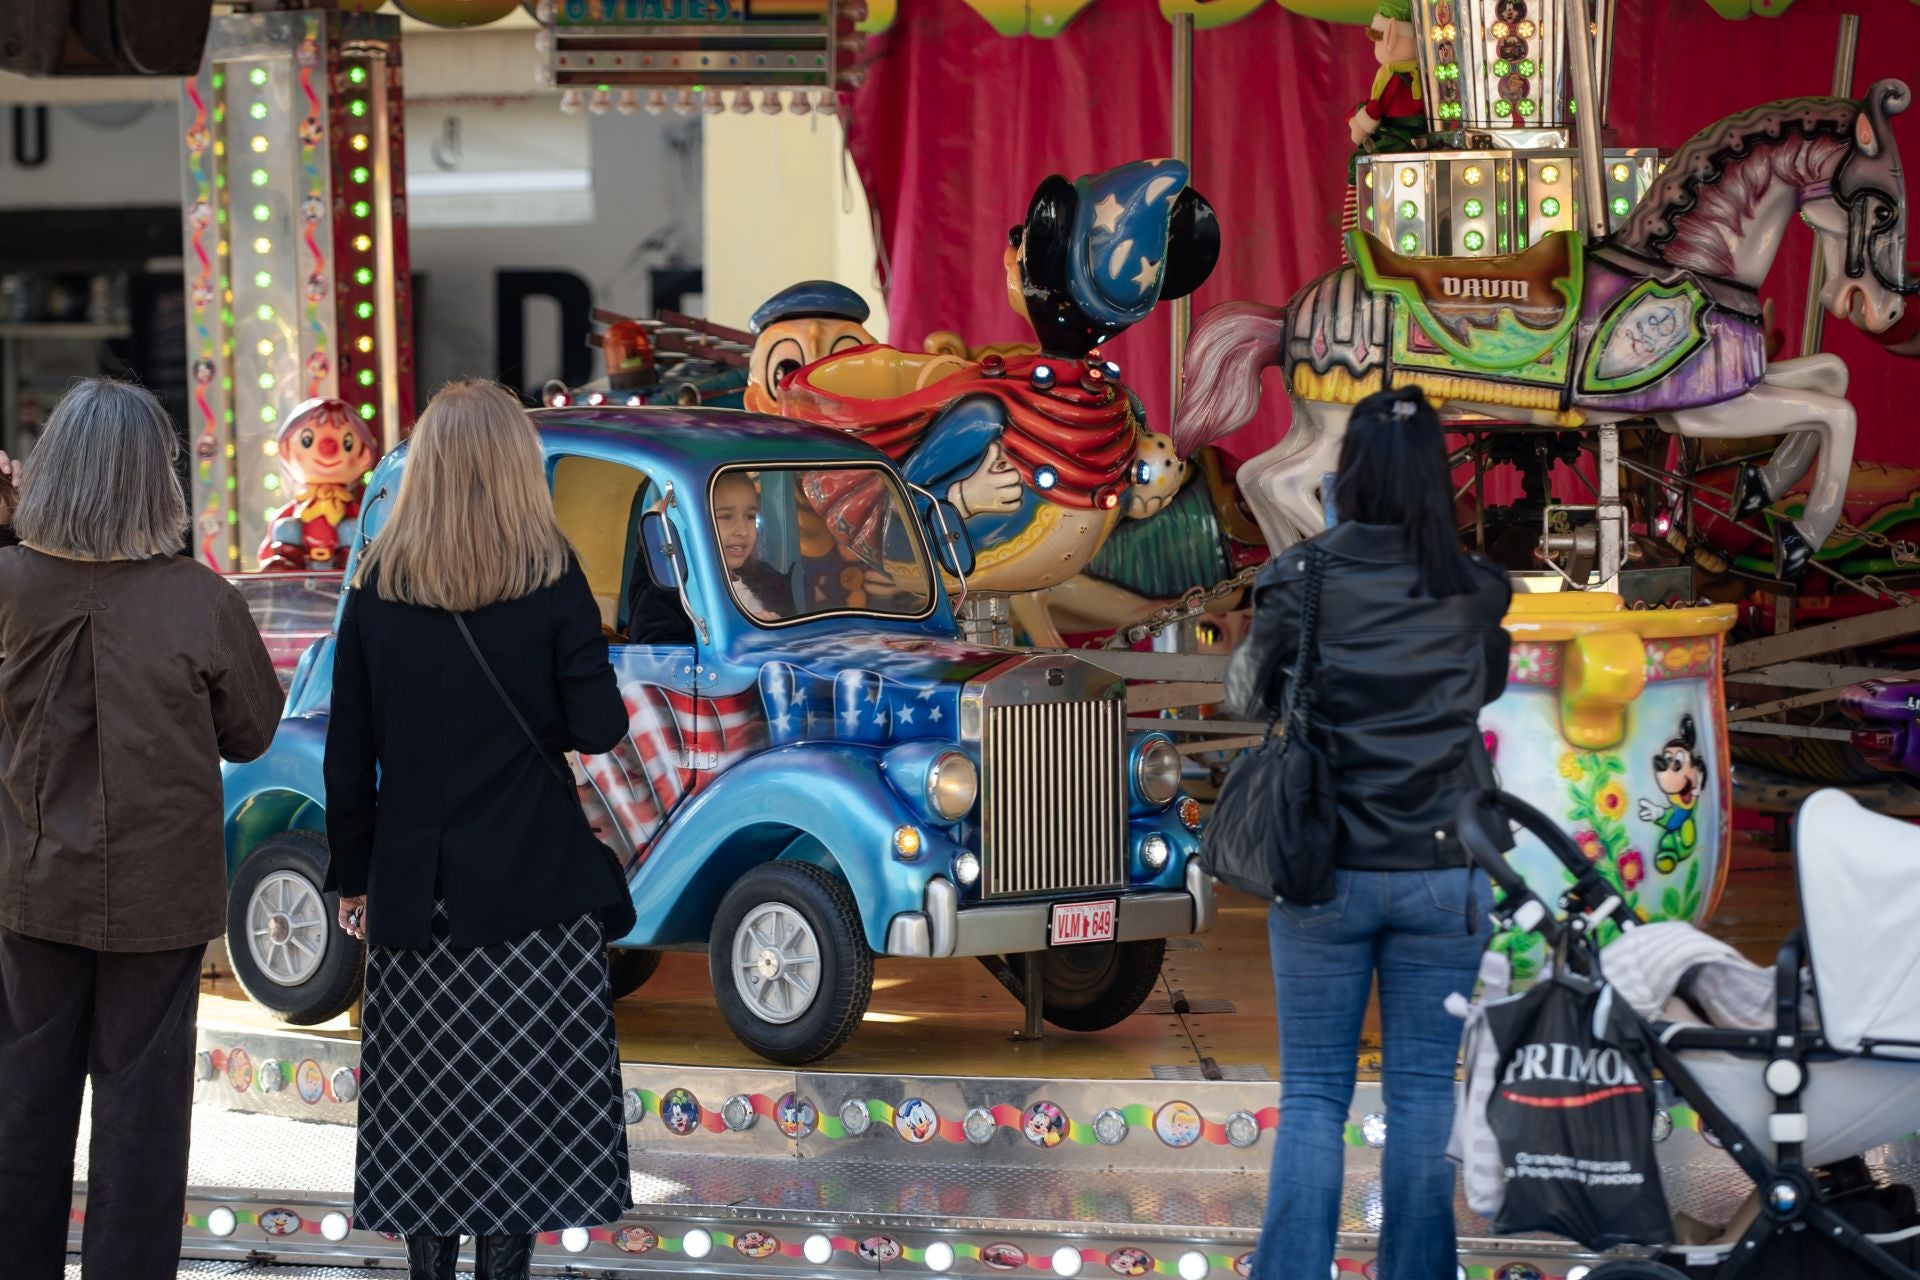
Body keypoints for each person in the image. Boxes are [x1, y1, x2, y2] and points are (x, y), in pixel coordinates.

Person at [323, 380, 634, 1280]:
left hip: (421, 907)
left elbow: (350, 755)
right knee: (516, 1126)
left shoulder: (377, 586)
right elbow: (600, 728)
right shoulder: (552, 576)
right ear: (513, 467)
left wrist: (355, 878)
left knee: (429, 1121)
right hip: (536, 903)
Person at [1226, 386, 1512, 1280]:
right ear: (1436, 476)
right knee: (1426, 1093)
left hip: (1325, 867)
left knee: (1314, 1096)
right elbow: (1485, 691)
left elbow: (1245, 694)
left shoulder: (1301, 579)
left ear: (1347, 473)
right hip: (1445, 869)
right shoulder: (1477, 589)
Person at [0, 379, 284, 1280]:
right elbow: (253, 730)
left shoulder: (10, 585)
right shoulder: (200, 600)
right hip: (161, 900)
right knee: (142, 1123)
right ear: (156, 480)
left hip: (29, 885)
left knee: (20, 1112)